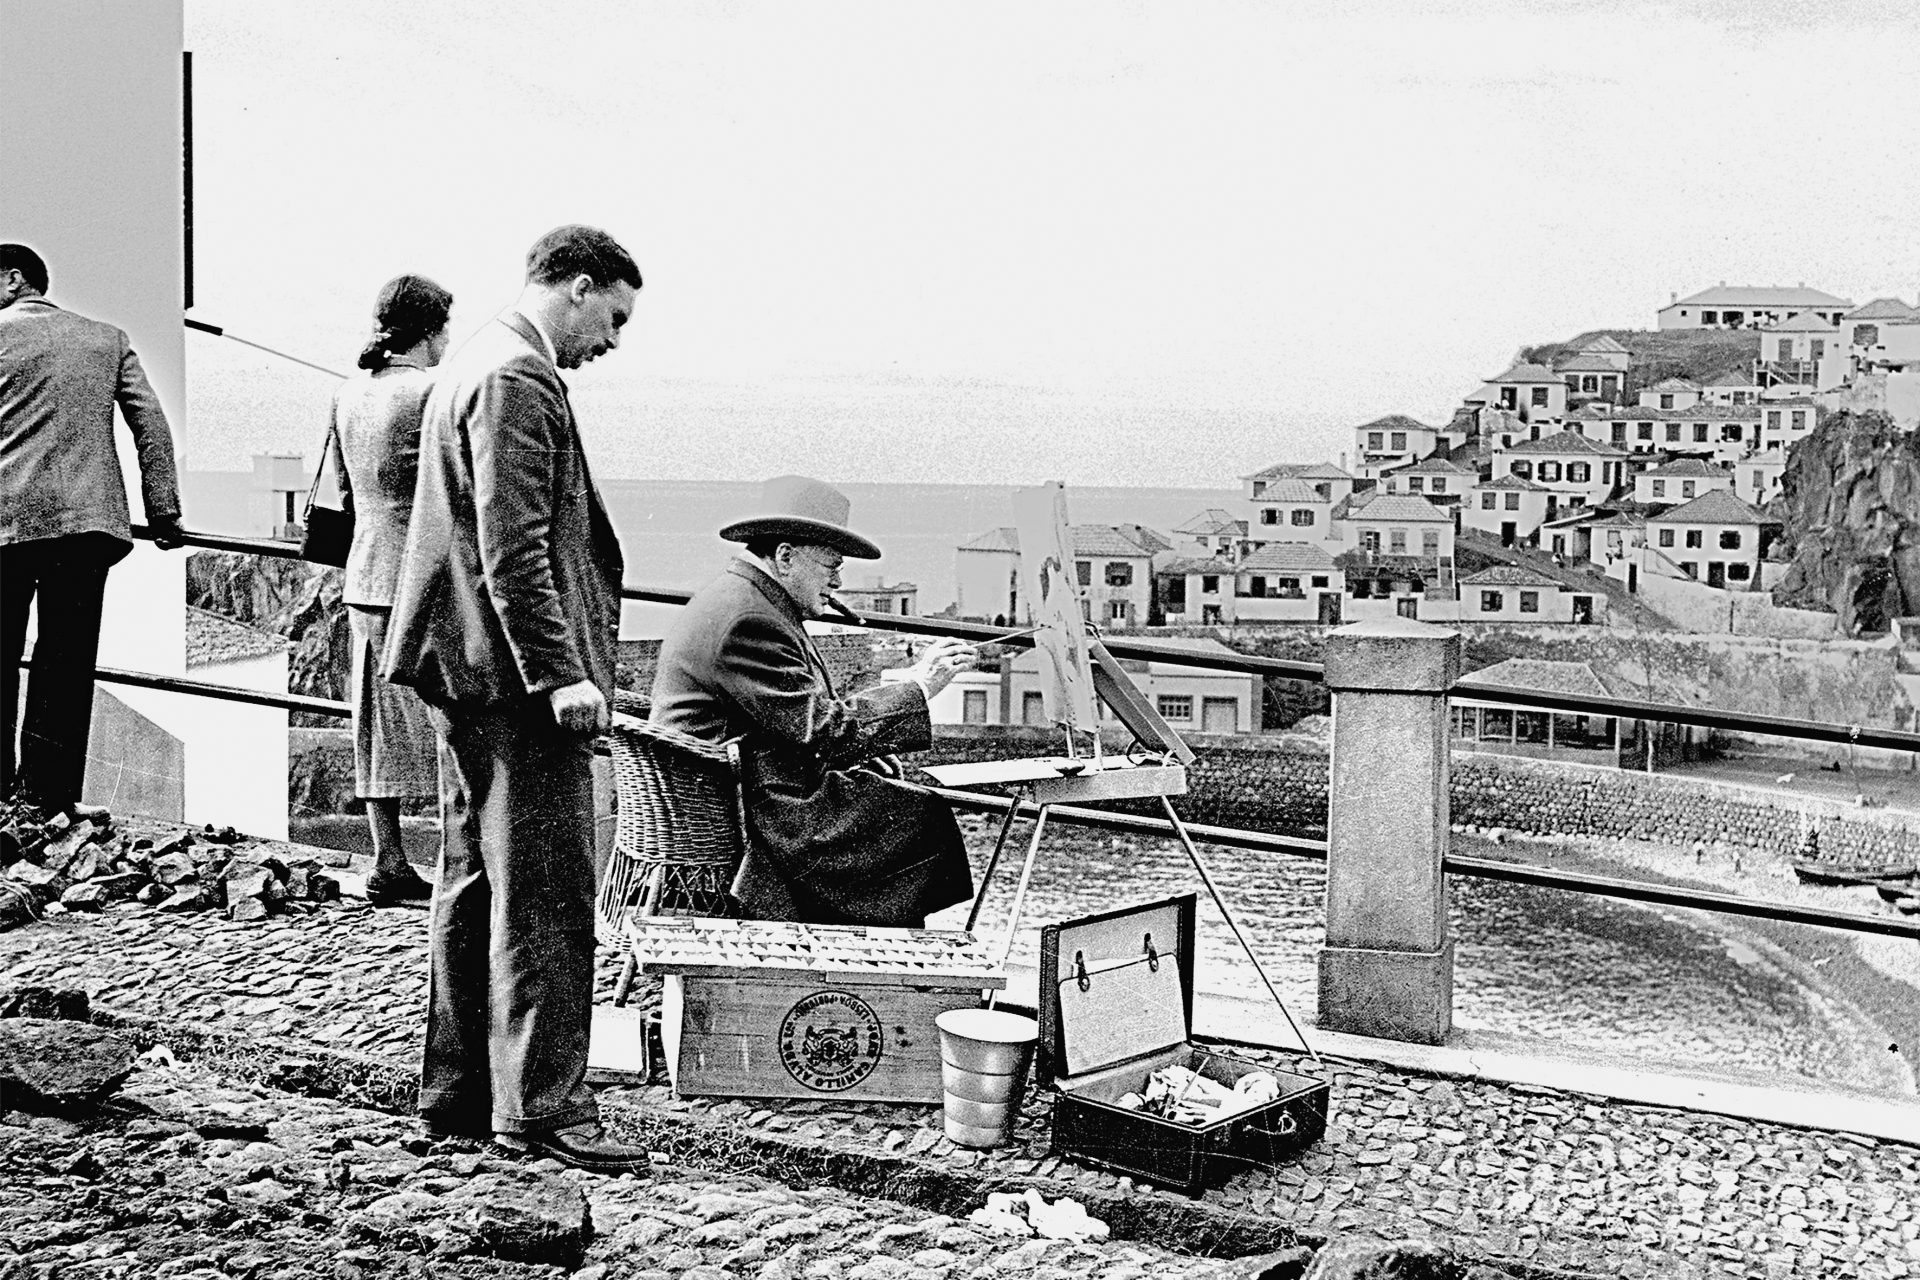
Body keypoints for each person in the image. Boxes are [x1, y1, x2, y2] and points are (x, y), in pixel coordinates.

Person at [382, 225, 643, 1172]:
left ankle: (455, 1096)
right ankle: (542, 1109)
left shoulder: (477, 360)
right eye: (612, 317)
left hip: (466, 673)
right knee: (545, 892)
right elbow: (513, 543)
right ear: (578, 287)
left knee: (473, 883)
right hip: (512, 683)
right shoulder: (518, 378)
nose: (611, 341)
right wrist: (562, 673)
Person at [650, 475, 977, 928]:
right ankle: (870, 967)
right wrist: (920, 685)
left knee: (900, 810)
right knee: (920, 816)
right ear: (786, 557)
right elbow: (821, 730)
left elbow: (797, 721)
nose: (838, 581)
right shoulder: (749, 619)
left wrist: (868, 751)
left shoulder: (748, 600)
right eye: (831, 566)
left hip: (738, 787)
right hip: (742, 810)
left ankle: (864, 953)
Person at [1, 243, 185, 819]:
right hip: (87, 526)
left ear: (12, 279)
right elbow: (149, 423)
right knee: (67, 659)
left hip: (6, 523)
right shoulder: (107, 339)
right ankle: (46, 797)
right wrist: (163, 511)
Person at [330, 274, 453, 907]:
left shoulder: (349, 393)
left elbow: (349, 497)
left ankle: (389, 859)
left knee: (375, 720)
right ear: (429, 330)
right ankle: (461, 863)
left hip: (365, 574)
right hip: (423, 581)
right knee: (452, 719)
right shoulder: (432, 392)